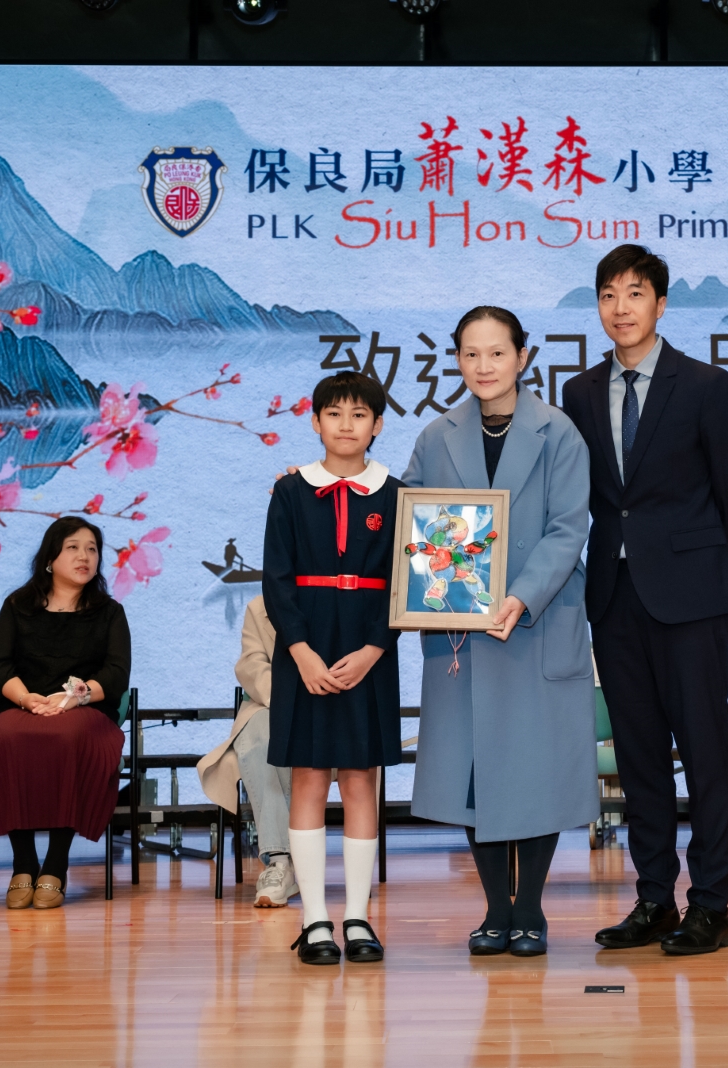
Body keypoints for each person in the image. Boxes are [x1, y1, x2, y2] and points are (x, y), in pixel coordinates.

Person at [560, 244, 728, 955]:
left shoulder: (705, 384)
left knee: (704, 752)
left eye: (635, 293)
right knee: (639, 755)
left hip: (691, 598)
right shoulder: (579, 393)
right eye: (609, 295)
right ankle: (654, 898)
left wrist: (695, 564)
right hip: (614, 597)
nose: (621, 308)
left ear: (662, 304)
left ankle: (710, 905)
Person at [403, 306, 597, 958]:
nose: (483, 366)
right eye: (470, 354)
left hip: (535, 622)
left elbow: (569, 528)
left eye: (496, 353)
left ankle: (531, 909)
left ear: (522, 357)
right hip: (462, 633)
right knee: (475, 773)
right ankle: (494, 909)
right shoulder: (437, 437)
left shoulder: (559, 432)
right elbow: (412, 523)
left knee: (535, 770)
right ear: (457, 360)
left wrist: (521, 595)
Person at [261, 370, 403, 964]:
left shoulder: (396, 494)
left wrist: (374, 650)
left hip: (370, 648)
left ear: (378, 425)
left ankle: (359, 918)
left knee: (363, 779)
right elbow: (276, 579)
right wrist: (301, 652)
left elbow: (405, 583)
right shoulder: (290, 492)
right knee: (309, 778)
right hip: (306, 650)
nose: (347, 425)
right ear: (316, 421)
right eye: (335, 414)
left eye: (359, 414)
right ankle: (316, 919)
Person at [0, 516, 131, 910]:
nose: (85, 556)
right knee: (12, 738)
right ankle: (23, 862)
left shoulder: (109, 612)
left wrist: (73, 697)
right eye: (73, 548)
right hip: (23, 706)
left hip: (84, 711)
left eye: (92, 549)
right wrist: (27, 700)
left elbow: (116, 674)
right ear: (50, 557)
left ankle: (56, 863)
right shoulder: (18, 606)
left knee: (65, 737)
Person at [197, 594, 299, 908]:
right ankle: (279, 861)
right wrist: (290, 699)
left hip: (332, 706)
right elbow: (252, 665)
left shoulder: (340, 593)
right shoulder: (260, 606)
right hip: (273, 703)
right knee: (263, 738)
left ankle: (302, 859)